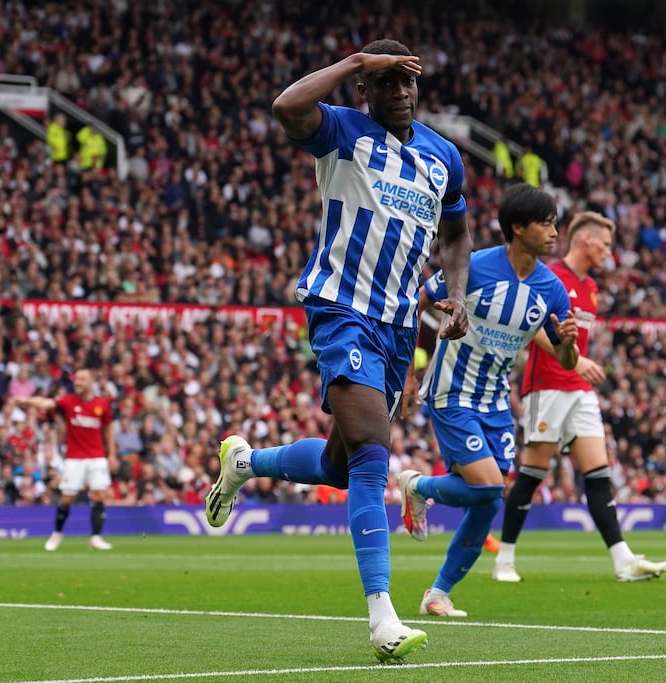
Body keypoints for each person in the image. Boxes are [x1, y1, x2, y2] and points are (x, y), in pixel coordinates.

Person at [204, 39, 472, 664]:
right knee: (374, 456)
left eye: (409, 82)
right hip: (341, 309)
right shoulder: (342, 131)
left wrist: (454, 295)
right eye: (387, 83)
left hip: (400, 327)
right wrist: (356, 62)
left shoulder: (443, 157)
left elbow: (457, 235)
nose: (402, 93)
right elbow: (284, 106)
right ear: (365, 91)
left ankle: (246, 462)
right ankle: (382, 617)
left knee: (339, 466)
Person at [398, 183, 578, 617]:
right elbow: (413, 303)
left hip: (497, 402)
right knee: (490, 488)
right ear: (517, 228)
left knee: (487, 500)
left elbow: (566, 359)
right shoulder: (473, 267)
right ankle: (417, 486)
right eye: (545, 223)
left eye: (555, 223)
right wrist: (405, 371)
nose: (554, 232)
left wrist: (570, 344)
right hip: (451, 391)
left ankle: (438, 593)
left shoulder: (551, 289)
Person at [493, 210, 666, 583]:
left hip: (579, 390)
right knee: (533, 472)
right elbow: (530, 329)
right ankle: (504, 560)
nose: (609, 251)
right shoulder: (550, 276)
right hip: (548, 385)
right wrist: (576, 364)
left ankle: (623, 560)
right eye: (605, 243)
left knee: (598, 474)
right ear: (586, 240)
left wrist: (580, 367)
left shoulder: (590, 286)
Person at [13, 368, 115, 551]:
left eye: (82, 379)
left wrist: (112, 454)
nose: (78, 382)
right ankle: (57, 533)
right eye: (76, 379)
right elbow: (46, 403)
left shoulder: (102, 404)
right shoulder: (68, 401)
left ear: (91, 381)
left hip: (97, 457)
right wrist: (26, 400)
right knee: (67, 498)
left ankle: (96, 537)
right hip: (74, 458)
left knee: (99, 495)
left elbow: (108, 429)